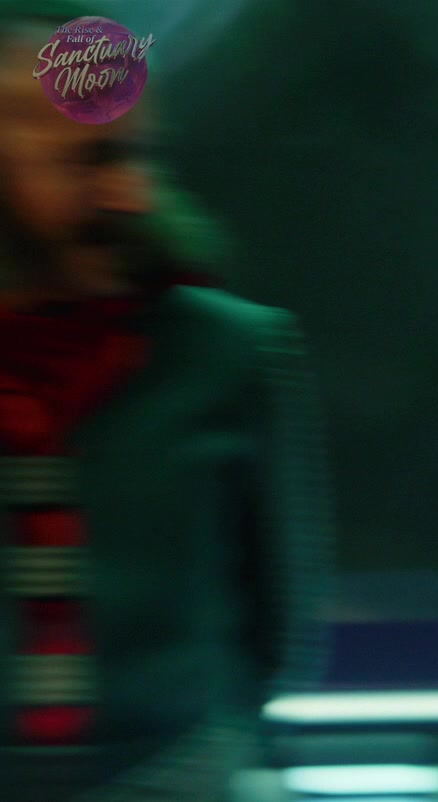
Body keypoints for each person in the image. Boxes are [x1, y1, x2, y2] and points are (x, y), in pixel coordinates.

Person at [0, 2, 333, 799]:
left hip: (167, 772)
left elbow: (277, 623)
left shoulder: (227, 352)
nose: (131, 195)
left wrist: (204, 754)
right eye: (90, 160)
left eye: (140, 155)